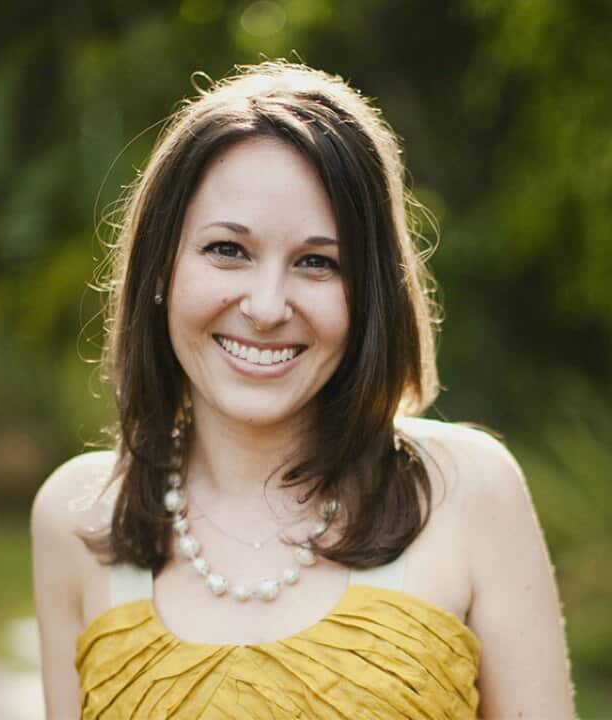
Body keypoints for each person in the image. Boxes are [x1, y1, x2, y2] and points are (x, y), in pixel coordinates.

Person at [31, 61, 573, 719]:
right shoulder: (77, 517)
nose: (265, 307)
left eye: (317, 262)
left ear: (369, 295)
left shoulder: (470, 493)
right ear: (161, 269)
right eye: (228, 249)